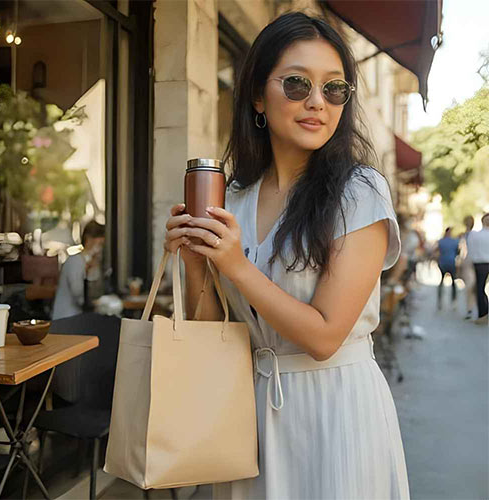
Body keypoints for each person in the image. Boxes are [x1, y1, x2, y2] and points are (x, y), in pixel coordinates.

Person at [164, 13, 408, 497]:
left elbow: (324, 337)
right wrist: (197, 264)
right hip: (248, 413)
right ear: (258, 94)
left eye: (335, 89)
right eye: (297, 84)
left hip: (335, 408)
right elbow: (216, 332)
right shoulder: (234, 196)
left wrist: (234, 264)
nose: (317, 102)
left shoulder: (359, 192)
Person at [52, 221, 105, 320]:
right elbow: (79, 295)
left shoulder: (92, 263)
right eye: (100, 244)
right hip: (67, 319)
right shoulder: (75, 262)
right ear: (89, 239)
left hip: (78, 318)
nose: (101, 249)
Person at [466, 213, 489, 325]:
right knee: (480, 288)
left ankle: (483, 314)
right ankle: (484, 313)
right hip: (480, 263)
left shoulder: (475, 235)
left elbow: (470, 250)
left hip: (480, 264)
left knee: (479, 289)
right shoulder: (475, 235)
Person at [434, 227, 460, 309]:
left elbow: (436, 251)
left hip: (443, 263)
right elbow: (458, 252)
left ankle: (439, 301)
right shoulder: (455, 241)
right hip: (451, 263)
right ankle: (454, 301)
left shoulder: (441, 241)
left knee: (441, 282)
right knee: (453, 282)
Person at [459, 215, 478, 319]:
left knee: (470, 286)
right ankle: (470, 308)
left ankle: (470, 308)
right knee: (471, 286)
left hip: (469, 261)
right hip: (471, 261)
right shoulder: (471, 235)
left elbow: (462, 251)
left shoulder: (467, 235)